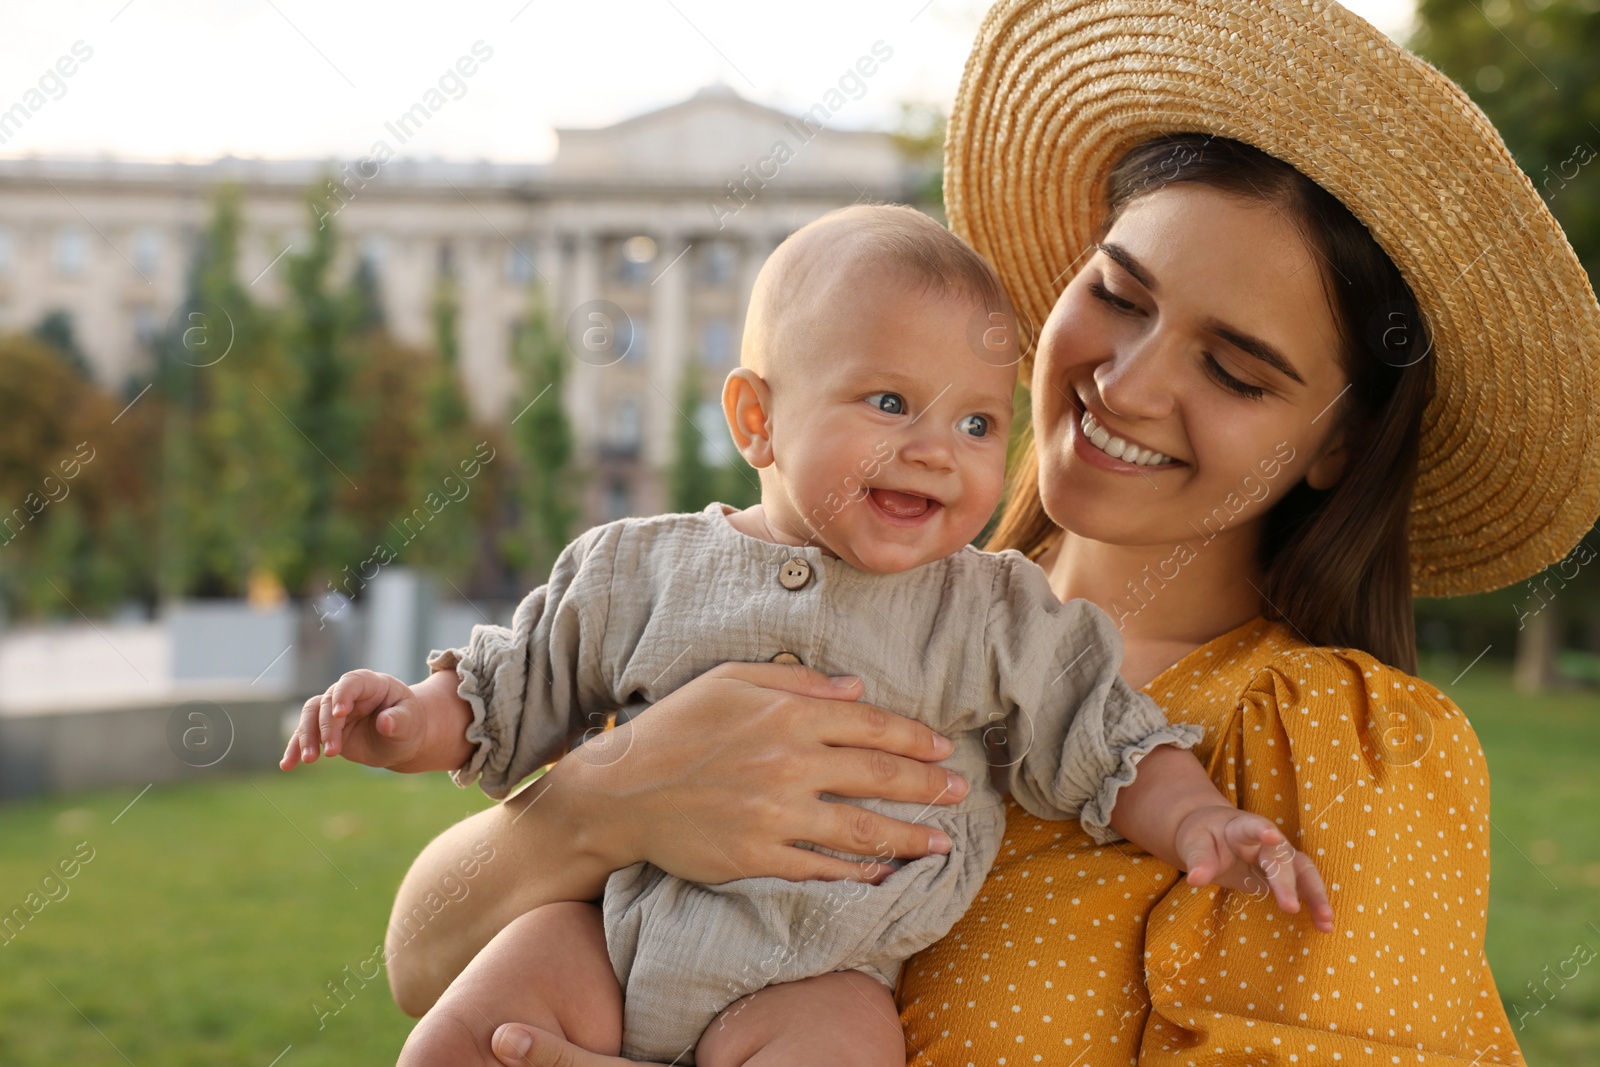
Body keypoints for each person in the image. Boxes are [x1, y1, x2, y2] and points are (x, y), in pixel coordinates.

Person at [361, 0, 1600, 1063]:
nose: (1126, 380)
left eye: (1234, 369)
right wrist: (607, 799)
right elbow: (422, 957)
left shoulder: (1327, 746)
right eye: (1116, 294)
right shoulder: (852, 597)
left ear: (1333, 443)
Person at [284, 204, 1332, 1066]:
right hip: (610, 930)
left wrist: (1198, 818)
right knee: (450, 1044)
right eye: (890, 402)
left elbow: (1098, 729)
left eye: (975, 423)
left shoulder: (991, 608)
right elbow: (513, 684)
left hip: (820, 972)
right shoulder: (634, 565)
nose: (936, 452)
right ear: (756, 420)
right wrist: (410, 719)